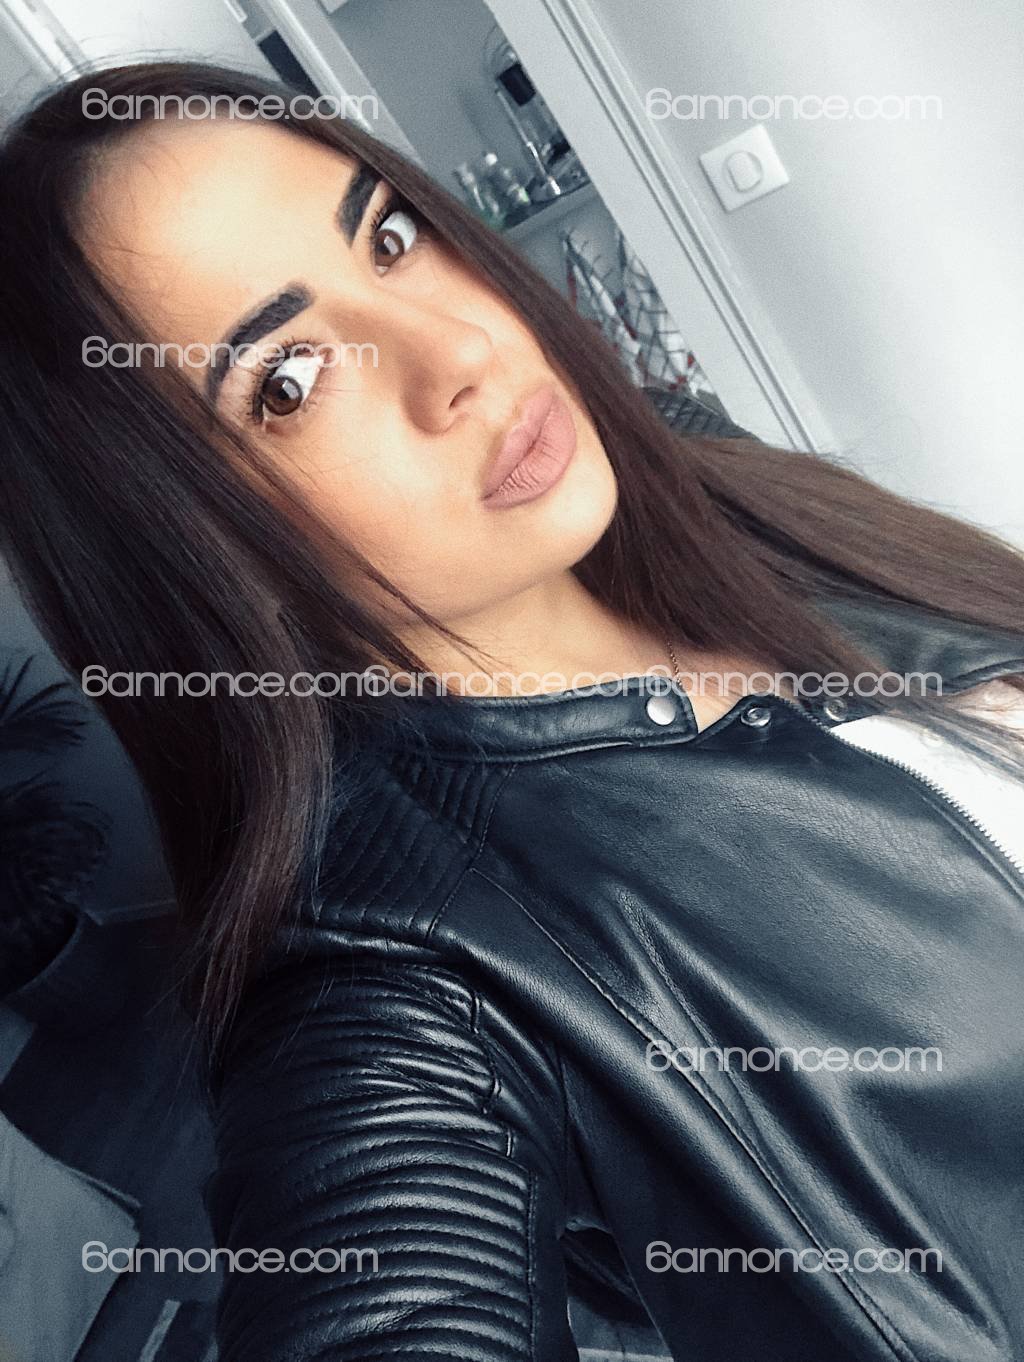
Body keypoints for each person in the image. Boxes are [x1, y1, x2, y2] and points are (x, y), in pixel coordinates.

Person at [1, 61, 1023, 1362]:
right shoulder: (391, 972)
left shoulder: (705, 470)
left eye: (389, 237)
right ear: (182, 549)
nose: (462, 353)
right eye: (290, 379)